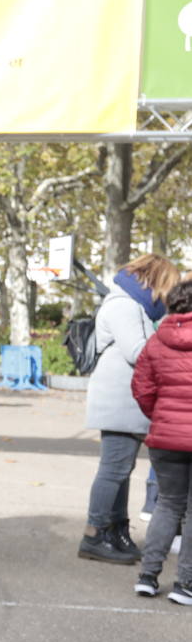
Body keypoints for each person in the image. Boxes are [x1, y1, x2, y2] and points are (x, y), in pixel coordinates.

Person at [80, 254, 180, 565]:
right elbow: (138, 350)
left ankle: (115, 530)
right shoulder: (123, 305)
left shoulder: (135, 305)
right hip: (118, 399)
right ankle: (94, 533)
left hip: (128, 399)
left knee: (122, 470)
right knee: (114, 469)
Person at [132, 274, 192, 603]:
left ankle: (148, 576)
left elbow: (141, 388)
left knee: (167, 505)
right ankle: (186, 584)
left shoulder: (157, 340)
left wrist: (160, 416)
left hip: (165, 437)